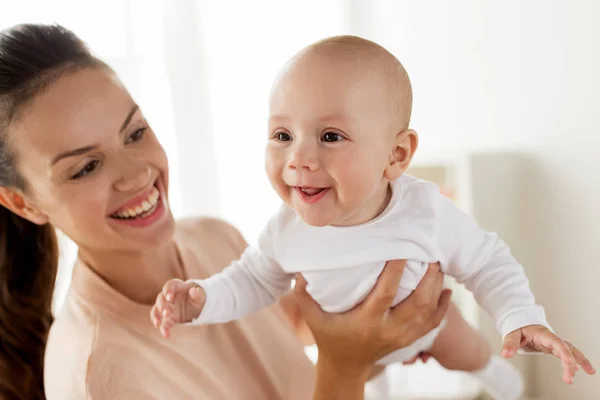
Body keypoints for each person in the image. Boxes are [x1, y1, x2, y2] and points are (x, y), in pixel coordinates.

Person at [0, 24, 451, 400]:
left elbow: (281, 353)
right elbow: (333, 370)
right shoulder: (100, 376)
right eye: (87, 167)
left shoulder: (213, 238)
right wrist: (345, 365)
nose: (137, 174)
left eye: (135, 133)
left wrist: (377, 328)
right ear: (23, 202)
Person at [153, 36, 596, 400]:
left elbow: (487, 262)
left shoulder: (423, 210)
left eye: (330, 136)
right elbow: (252, 281)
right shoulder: (286, 229)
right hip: (348, 350)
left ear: (395, 155)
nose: (299, 157)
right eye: (282, 135)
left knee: (471, 352)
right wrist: (201, 301)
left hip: (430, 326)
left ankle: (505, 385)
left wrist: (522, 316)